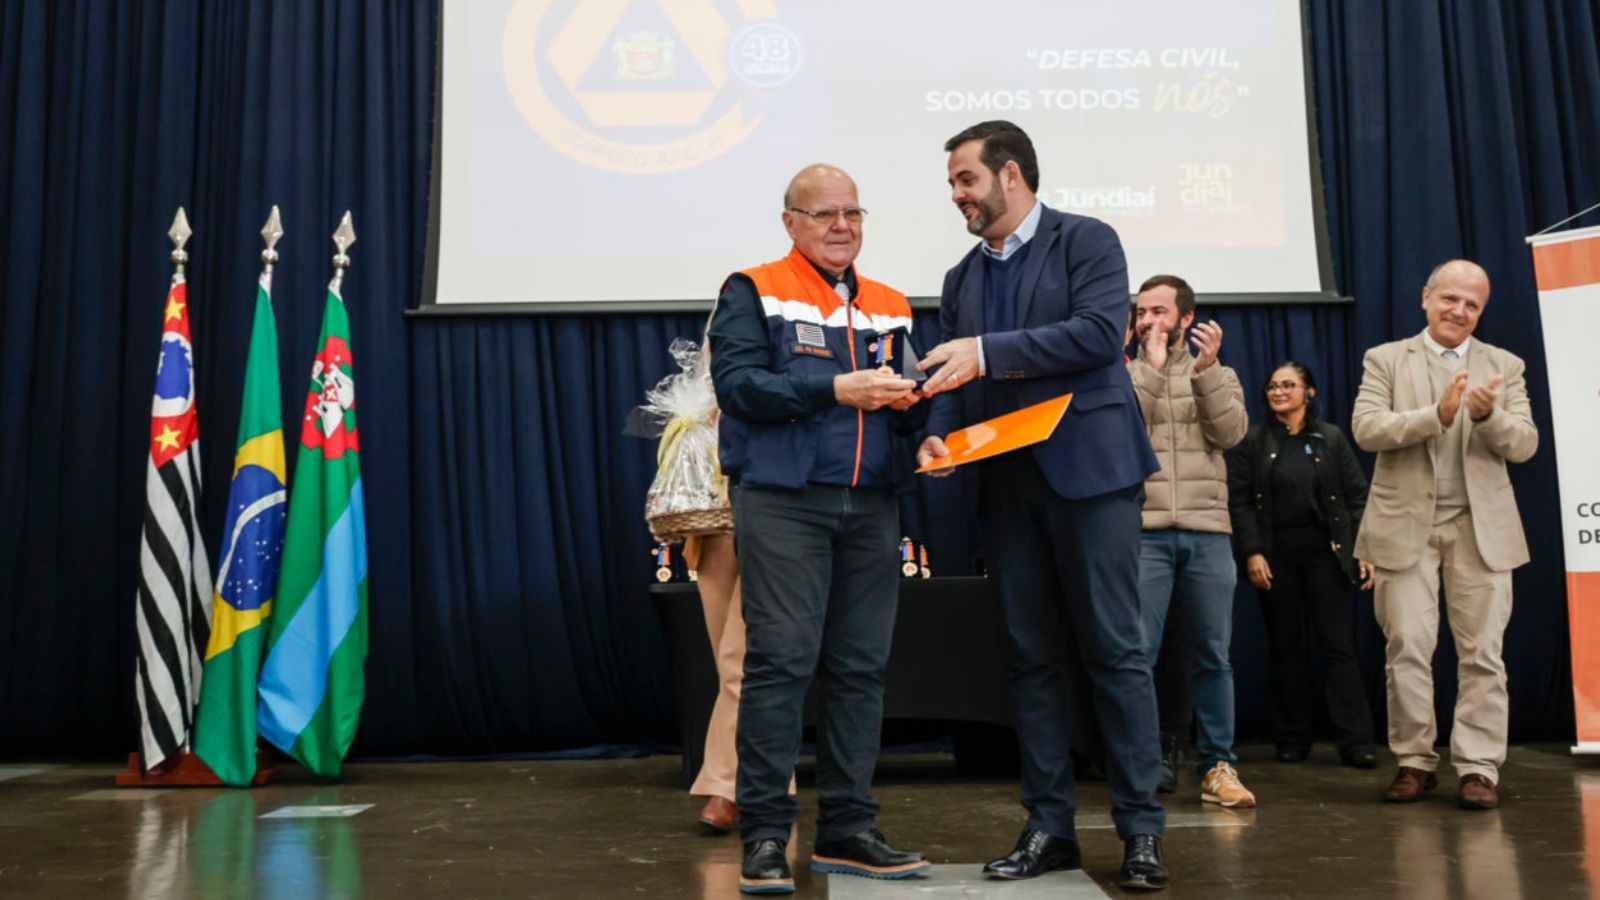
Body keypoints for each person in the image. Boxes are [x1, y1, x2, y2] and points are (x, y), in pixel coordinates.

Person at [917, 120, 1168, 892]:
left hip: (1091, 477)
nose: (955, 193)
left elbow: (1097, 336)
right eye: (953, 182)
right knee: (1029, 661)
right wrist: (934, 436)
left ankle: (1142, 831)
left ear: (1011, 175)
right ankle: (1050, 827)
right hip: (1006, 484)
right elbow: (947, 375)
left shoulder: (1088, 241)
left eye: (965, 179)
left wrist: (988, 354)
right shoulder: (961, 279)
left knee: (1117, 653)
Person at [708, 163, 932, 894]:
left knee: (862, 670)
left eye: (854, 213)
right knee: (780, 664)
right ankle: (767, 834)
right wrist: (836, 387)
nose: (842, 226)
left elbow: (912, 404)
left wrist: (928, 436)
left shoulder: (894, 304)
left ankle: (848, 830)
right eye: (825, 213)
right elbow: (739, 388)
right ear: (791, 222)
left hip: (873, 505)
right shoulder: (753, 288)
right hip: (783, 501)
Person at [1352, 259, 1538, 810]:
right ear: (1425, 298)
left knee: (1483, 653)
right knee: (1406, 646)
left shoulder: (1504, 365)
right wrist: (1437, 413)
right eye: (1450, 299)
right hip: (1403, 527)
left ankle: (1479, 768)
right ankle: (1414, 760)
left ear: (1481, 311)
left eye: (1471, 304)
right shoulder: (1385, 358)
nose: (1459, 311)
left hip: (1482, 532)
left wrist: (1487, 417)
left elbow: (1524, 443)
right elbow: (1367, 429)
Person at [1125, 275, 1254, 810]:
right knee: (1137, 655)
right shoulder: (1126, 372)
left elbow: (1231, 434)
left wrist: (1207, 376)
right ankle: (1143, 760)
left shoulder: (1216, 372)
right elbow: (1126, 428)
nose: (1149, 321)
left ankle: (1218, 766)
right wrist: (1151, 369)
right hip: (1144, 534)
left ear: (1185, 319)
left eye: (1159, 312)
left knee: (1212, 655)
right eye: (1141, 313)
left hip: (1207, 533)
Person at [1226, 361, 1377, 769]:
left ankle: (1356, 741)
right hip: (1276, 558)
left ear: (1309, 392)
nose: (1278, 392)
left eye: (1289, 385)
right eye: (1273, 386)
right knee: (1286, 649)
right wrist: (1253, 551)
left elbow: (1357, 496)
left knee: (1338, 647)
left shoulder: (1330, 438)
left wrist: (1363, 549)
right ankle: (1292, 738)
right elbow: (1239, 502)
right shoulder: (1252, 441)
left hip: (1327, 557)